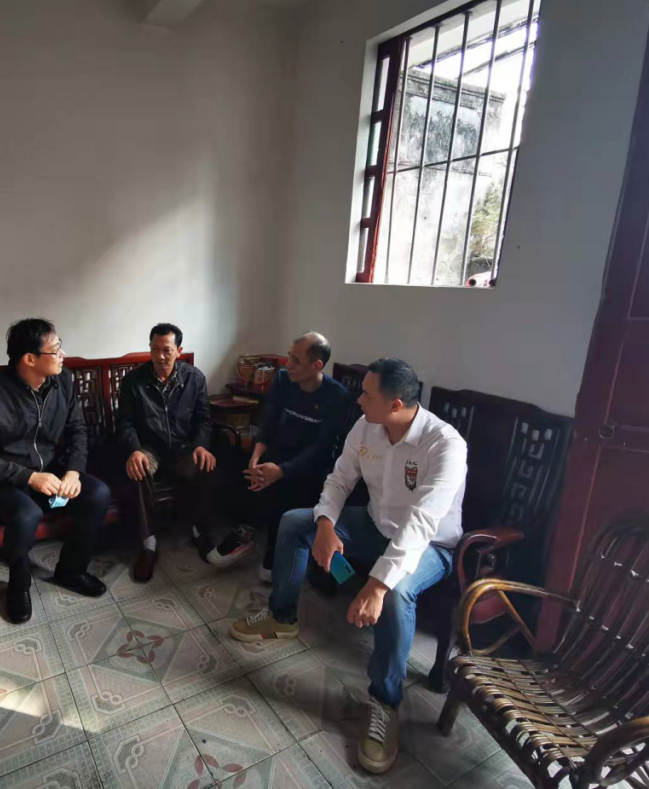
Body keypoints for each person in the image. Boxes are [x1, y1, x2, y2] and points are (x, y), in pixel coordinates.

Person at [229, 358, 466, 776]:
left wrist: (377, 585)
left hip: (431, 545)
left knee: (396, 592)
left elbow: (422, 523)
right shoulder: (367, 426)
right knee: (295, 524)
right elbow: (339, 480)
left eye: (366, 395)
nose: (358, 400)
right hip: (375, 525)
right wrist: (325, 525)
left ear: (395, 405)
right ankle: (283, 615)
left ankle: (385, 701)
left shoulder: (444, 444)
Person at [0, 318, 109, 624]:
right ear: (29, 359)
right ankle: (18, 585)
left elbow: (77, 431)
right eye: (55, 350)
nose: (62, 354)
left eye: (60, 346)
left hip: (53, 472)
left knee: (98, 493)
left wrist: (73, 472)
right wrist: (30, 477)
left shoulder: (64, 381)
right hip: (7, 481)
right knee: (26, 515)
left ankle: (71, 570)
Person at [206, 332, 350, 582]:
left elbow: (321, 448)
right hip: (278, 453)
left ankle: (274, 545)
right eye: (289, 356)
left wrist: (281, 471)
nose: (288, 364)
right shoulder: (283, 379)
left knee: (282, 485)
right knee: (241, 467)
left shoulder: (336, 396)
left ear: (316, 365)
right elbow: (268, 422)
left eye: (296, 360)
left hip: (311, 466)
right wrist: (256, 457)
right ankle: (246, 532)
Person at [116, 323, 217, 582]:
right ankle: (148, 544)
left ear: (179, 351)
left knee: (205, 463)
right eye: (154, 349)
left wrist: (201, 445)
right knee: (138, 468)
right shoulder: (134, 381)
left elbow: (204, 419)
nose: (160, 356)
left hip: (184, 448)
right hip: (150, 448)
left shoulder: (194, 378)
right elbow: (125, 422)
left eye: (167, 350)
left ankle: (199, 531)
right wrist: (135, 450)